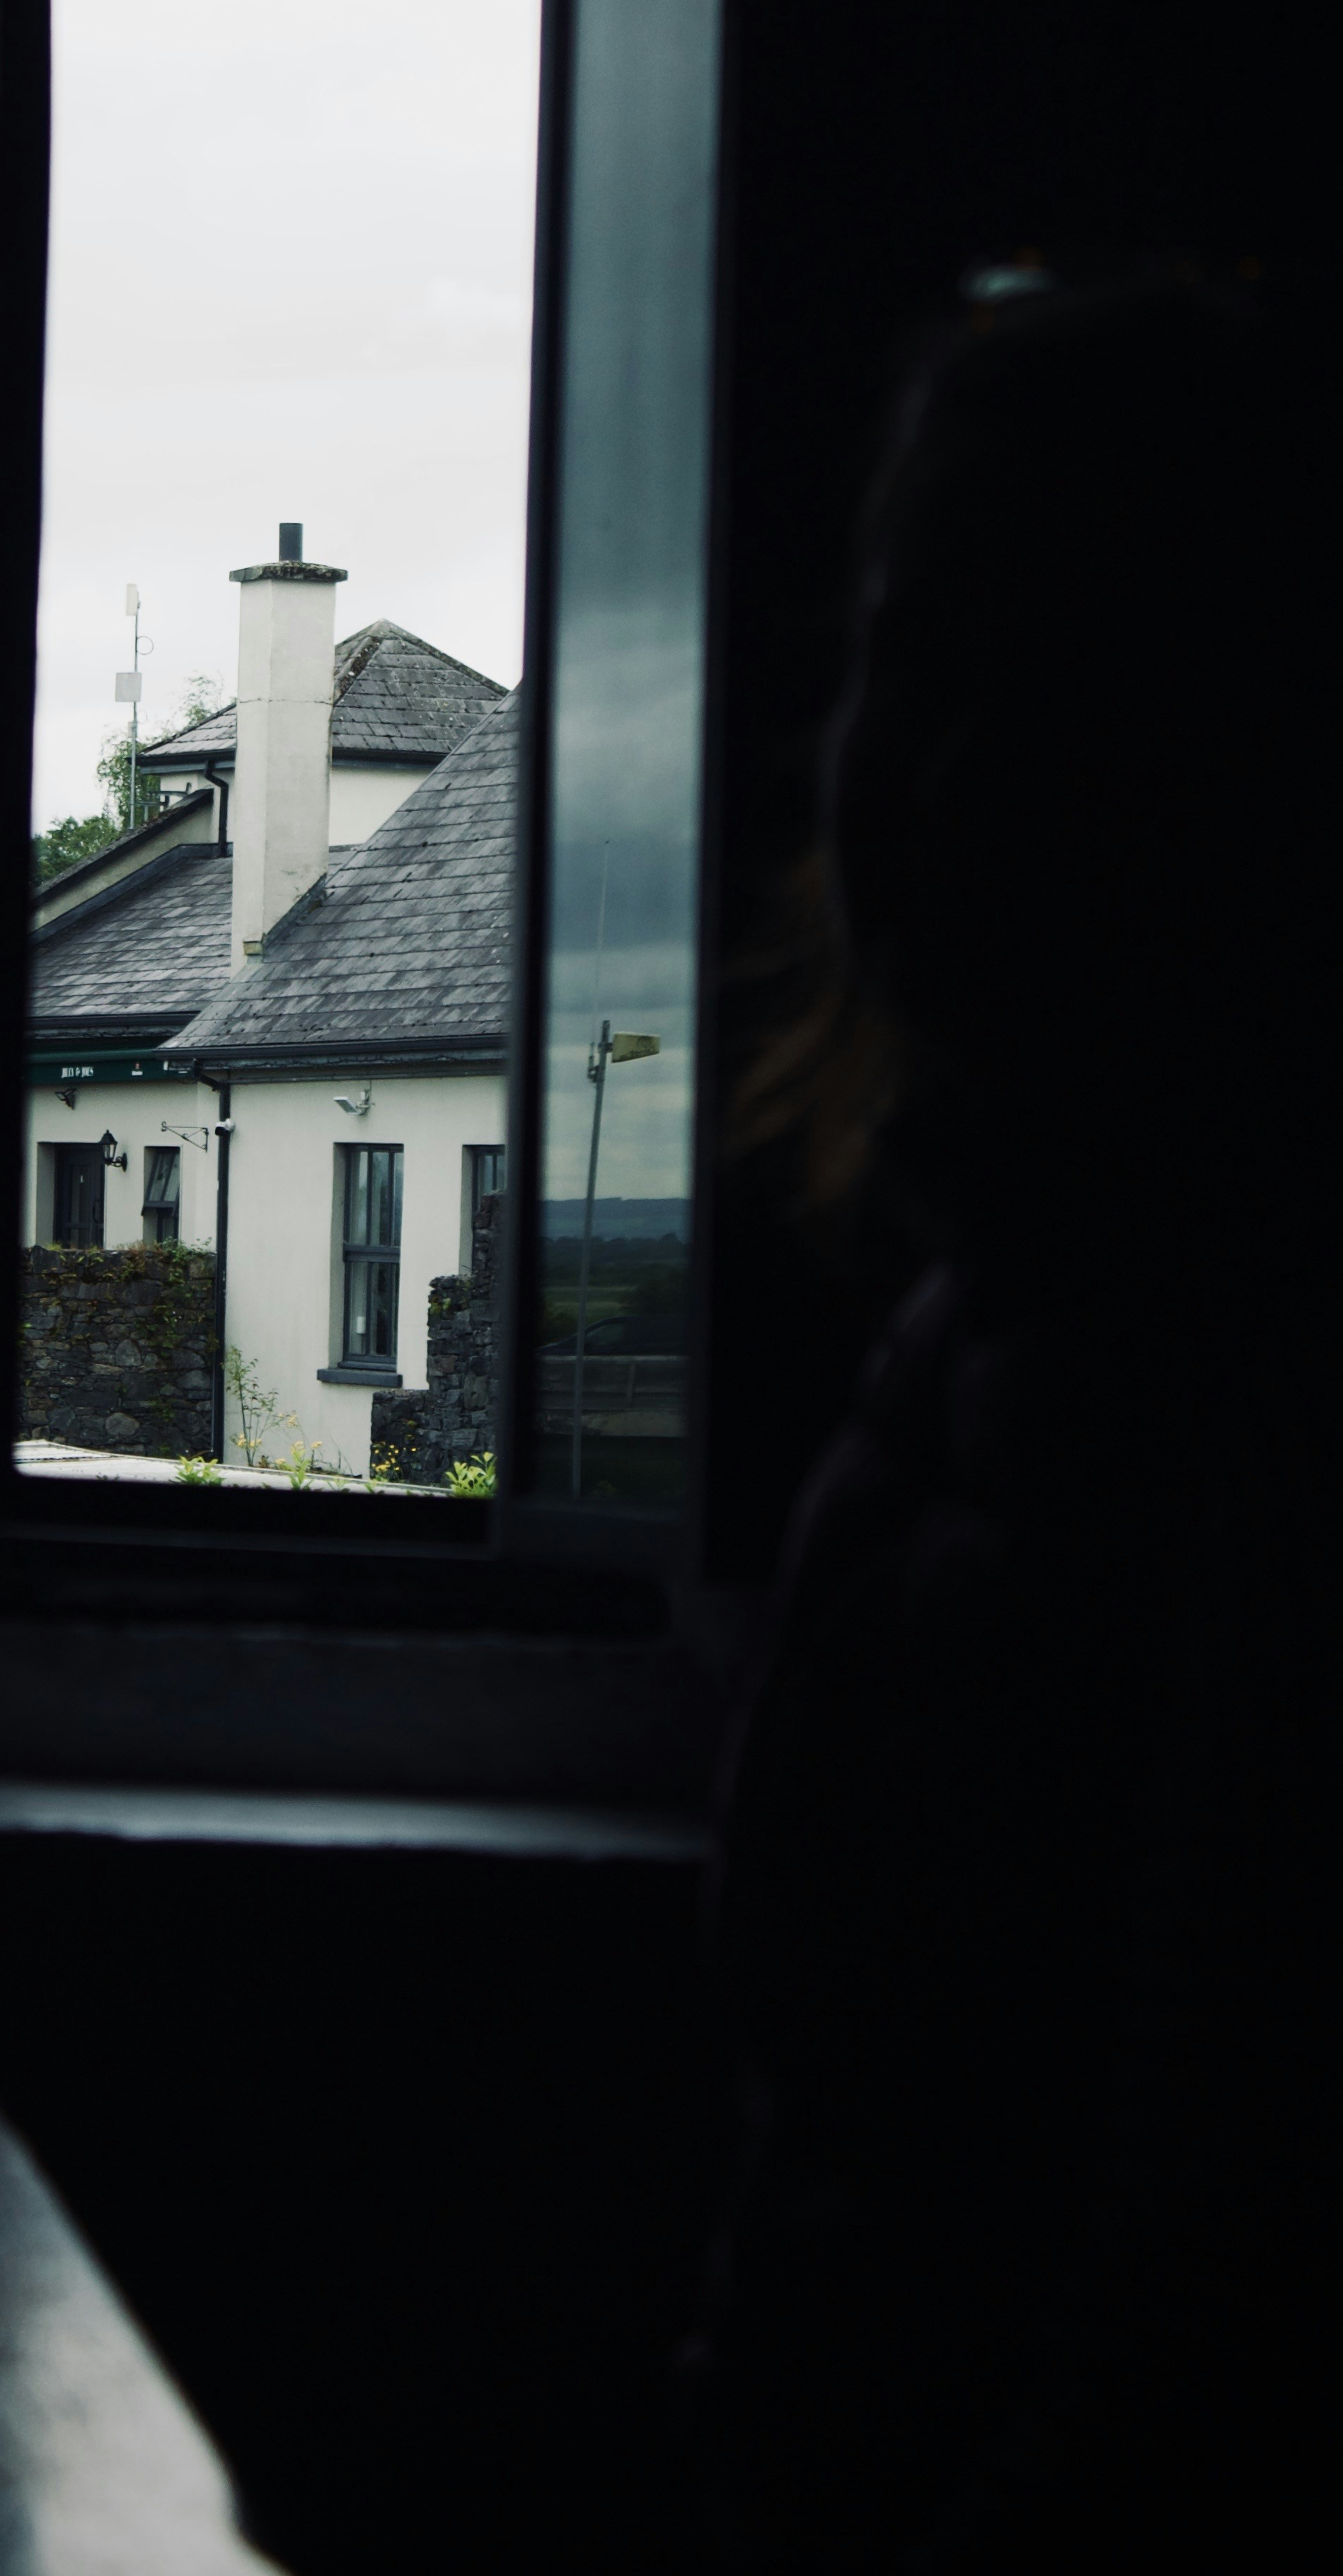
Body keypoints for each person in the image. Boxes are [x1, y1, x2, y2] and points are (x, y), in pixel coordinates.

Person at [680, 268, 1338, 2568]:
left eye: (1069, 700)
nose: (942, 772)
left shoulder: (1242, 1427)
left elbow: (1190, 2312)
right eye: (911, 666)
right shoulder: (986, 1316)